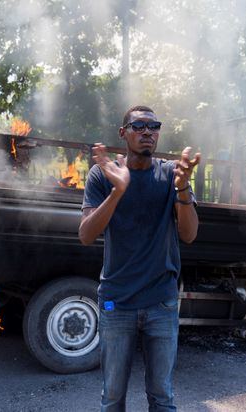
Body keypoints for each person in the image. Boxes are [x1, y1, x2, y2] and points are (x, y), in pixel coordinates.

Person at [79, 105, 200, 411]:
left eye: (154, 126)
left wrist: (183, 188)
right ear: (124, 133)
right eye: (139, 126)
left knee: (162, 397)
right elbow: (86, 234)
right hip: (116, 302)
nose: (148, 132)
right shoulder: (103, 174)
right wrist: (118, 191)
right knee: (113, 397)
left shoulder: (172, 174)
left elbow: (189, 234)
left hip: (161, 302)